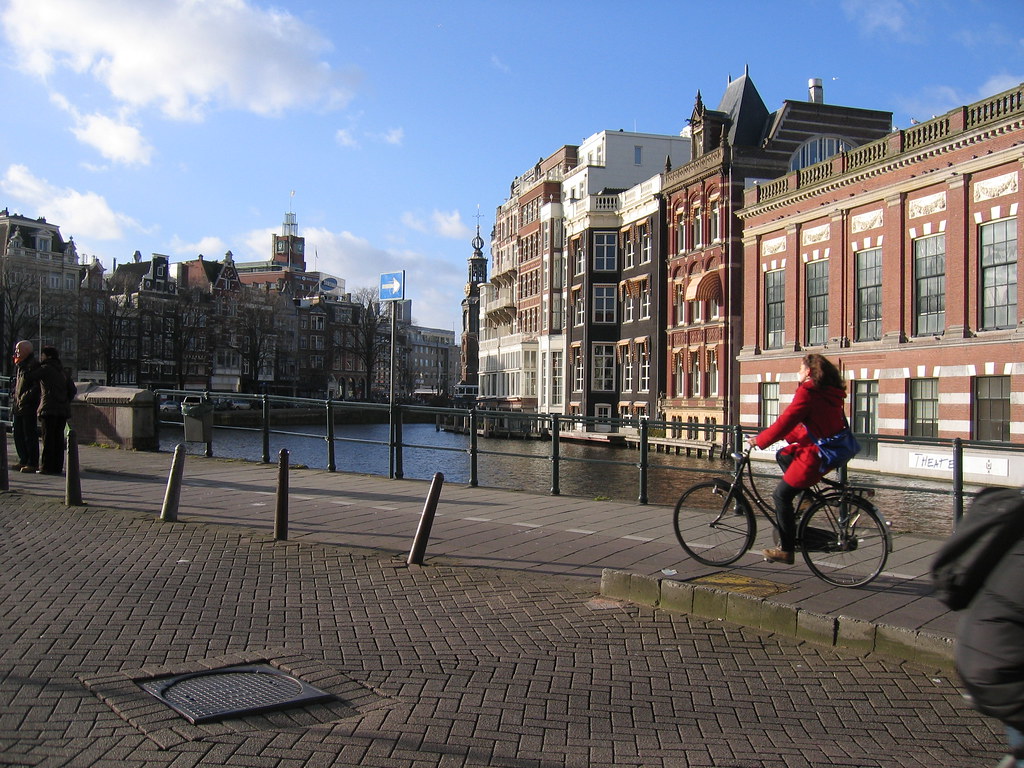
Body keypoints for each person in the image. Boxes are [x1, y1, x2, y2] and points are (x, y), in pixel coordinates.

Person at [747, 353, 848, 564]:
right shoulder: (828, 392)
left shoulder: (808, 391)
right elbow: (810, 425)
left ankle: (785, 549)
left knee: (780, 496)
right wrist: (786, 437)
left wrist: (760, 439)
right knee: (783, 454)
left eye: (800, 369)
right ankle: (807, 500)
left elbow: (787, 419)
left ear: (808, 372)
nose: (798, 373)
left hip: (818, 453)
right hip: (832, 449)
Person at [27, 345, 73, 475]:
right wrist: (65, 400)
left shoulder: (45, 369)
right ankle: (57, 467)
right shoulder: (63, 371)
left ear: (47, 356)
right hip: (63, 409)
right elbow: (72, 390)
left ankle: (46, 467)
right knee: (58, 439)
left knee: (48, 438)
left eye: (42, 355)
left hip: (48, 408)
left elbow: (29, 377)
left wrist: (32, 365)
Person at [11, 340, 41, 473]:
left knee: (29, 435)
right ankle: (23, 459)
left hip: (27, 406)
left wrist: (23, 398)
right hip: (19, 405)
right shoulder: (20, 365)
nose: (16, 352)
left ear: (26, 350)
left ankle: (32, 462)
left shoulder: (32, 365)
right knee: (18, 434)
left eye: (18, 349)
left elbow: (36, 387)